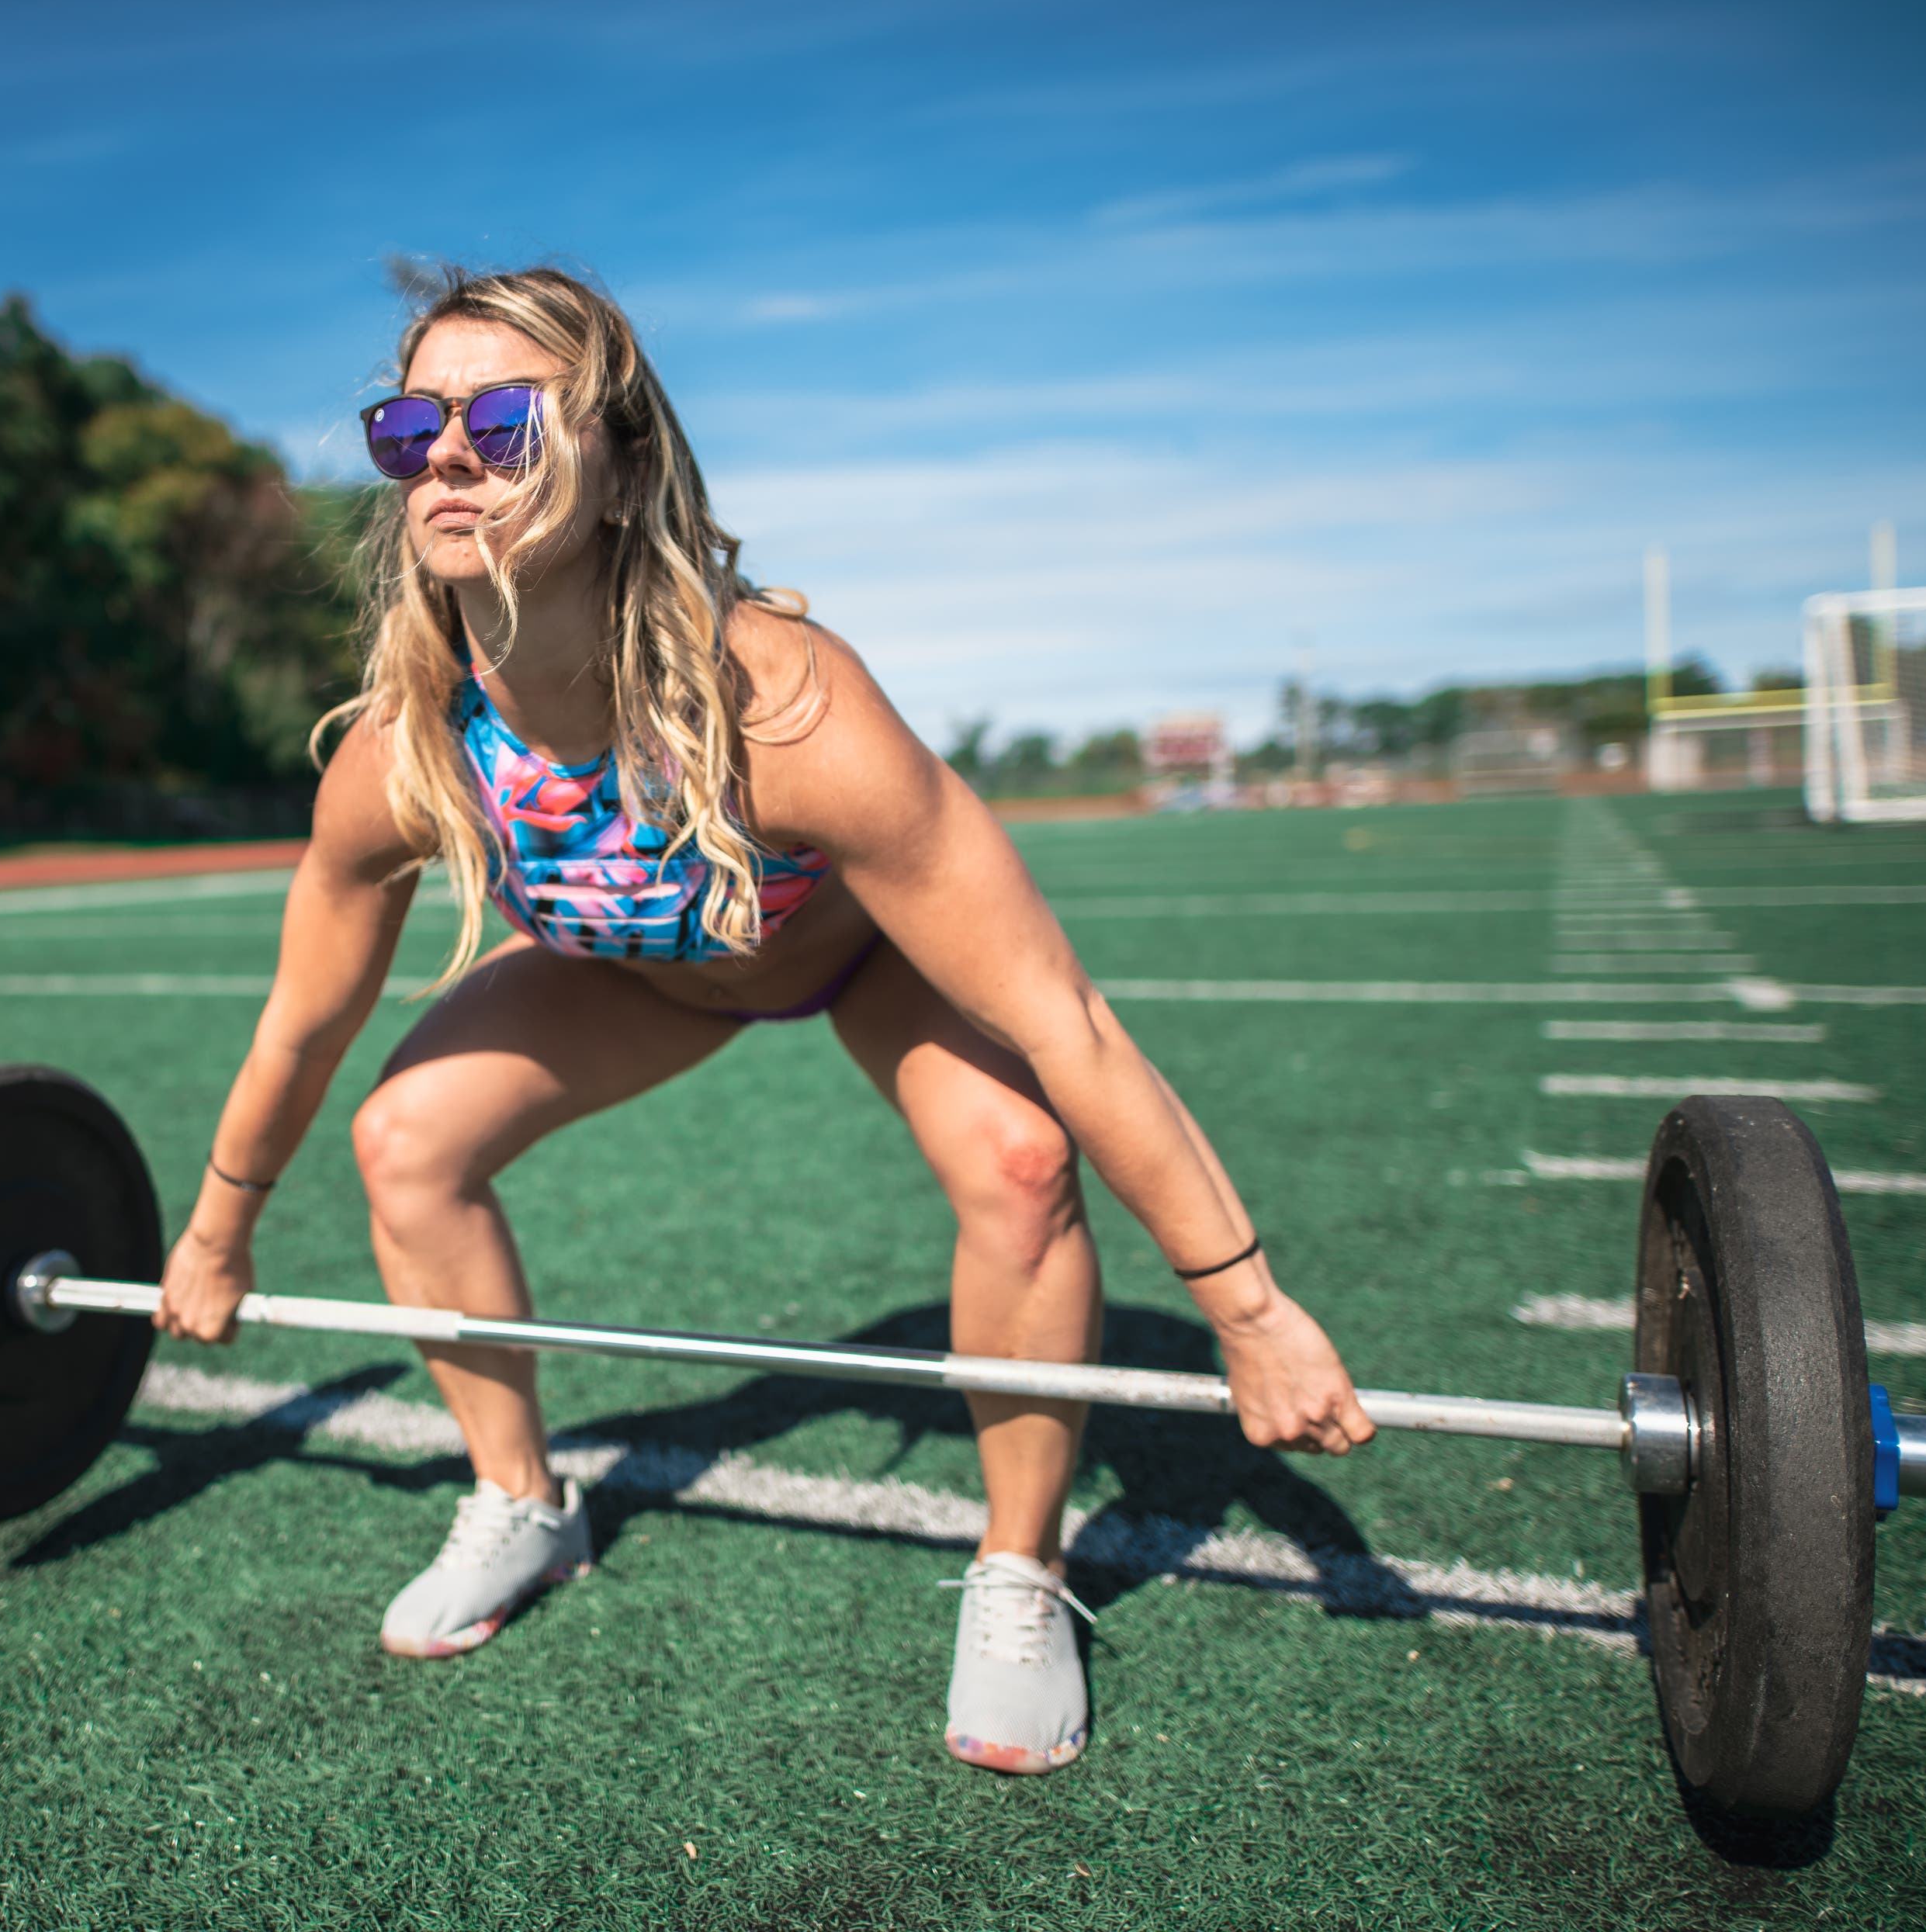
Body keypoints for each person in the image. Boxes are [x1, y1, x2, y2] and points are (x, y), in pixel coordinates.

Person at [154, 266, 1375, 1774]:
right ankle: (522, 1497)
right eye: (413, 426)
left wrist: (1249, 1312)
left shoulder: (783, 709)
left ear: (619, 461)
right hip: (646, 970)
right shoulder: (409, 752)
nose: (450, 453)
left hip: (853, 957)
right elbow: (298, 1026)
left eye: (505, 417)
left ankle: (1020, 1566)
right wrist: (215, 1232)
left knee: (1015, 1159)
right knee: (405, 1136)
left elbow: (1064, 1016)